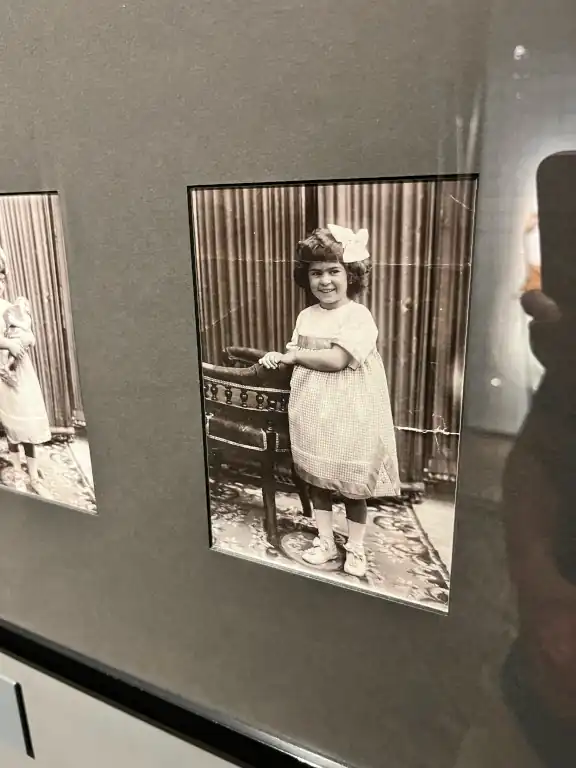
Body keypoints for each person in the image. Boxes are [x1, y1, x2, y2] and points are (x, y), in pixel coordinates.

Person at [260, 224, 400, 578]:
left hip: (350, 410)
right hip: (312, 407)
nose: (325, 281)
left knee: (352, 485)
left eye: (334, 271)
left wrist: (293, 357)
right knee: (318, 479)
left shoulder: (358, 316)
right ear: (305, 277)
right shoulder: (306, 316)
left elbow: (337, 361)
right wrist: (279, 356)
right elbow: (296, 350)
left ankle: (354, 545)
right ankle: (325, 539)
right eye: (316, 272)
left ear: (350, 274)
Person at [0, 248, 52, 499]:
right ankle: (17, 471)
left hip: (20, 373)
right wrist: (6, 344)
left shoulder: (10, 307)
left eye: (1, 278)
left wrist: (23, 340)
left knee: (26, 419)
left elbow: (29, 333)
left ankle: (33, 474)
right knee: (10, 424)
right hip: (1, 374)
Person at [0, 296, 34, 386]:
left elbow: (25, 329)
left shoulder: (10, 307)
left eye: (2, 281)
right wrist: (9, 344)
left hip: (14, 359)